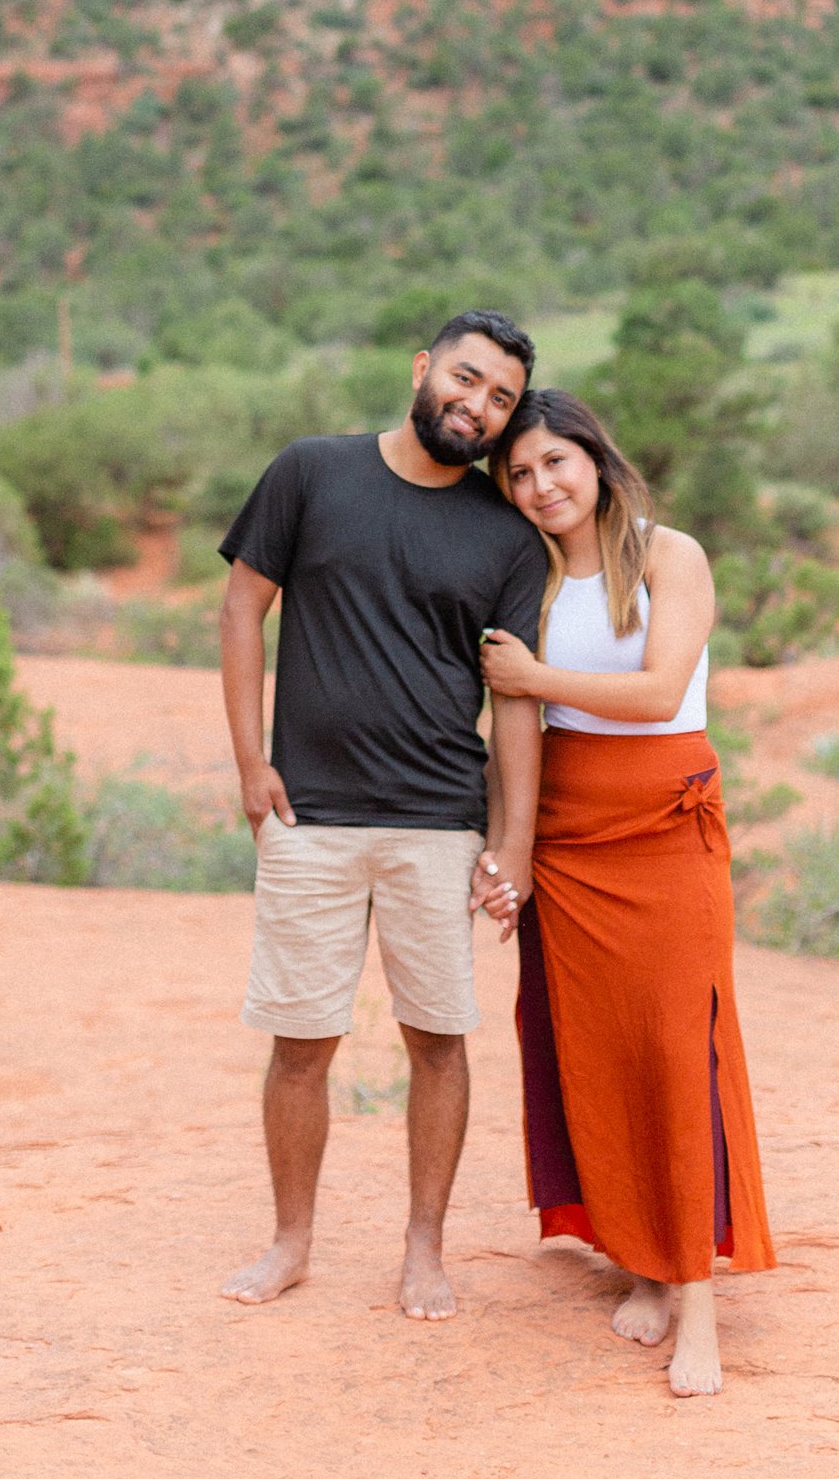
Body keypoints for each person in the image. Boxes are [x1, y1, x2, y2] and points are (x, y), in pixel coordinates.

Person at [217, 310, 546, 1321]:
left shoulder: (508, 536)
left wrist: (514, 843)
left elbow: (515, 698)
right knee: (300, 1042)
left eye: (500, 399)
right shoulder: (311, 473)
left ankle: (424, 1250)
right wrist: (250, 765)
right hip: (309, 816)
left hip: (438, 824)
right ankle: (291, 1242)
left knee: (437, 1039)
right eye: (466, 379)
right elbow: (242, 608)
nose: (477, 406)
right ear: (422, 369)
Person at [479, 388, 774, 1398]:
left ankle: (700, 1307)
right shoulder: (525, 579)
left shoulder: (665, 555)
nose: (540, 486)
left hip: (664, 825)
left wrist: (535, 680)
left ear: (596, 461)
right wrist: (512, 851)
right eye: (519, 474)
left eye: (555, 462)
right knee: (598, 1050)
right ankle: (643, 1262)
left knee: (676, 1047)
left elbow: (657, 691)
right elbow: (512, 724)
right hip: (569, 836)